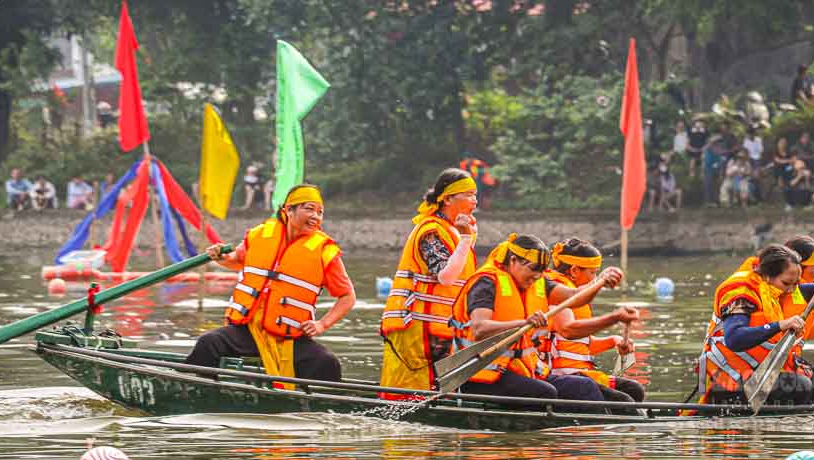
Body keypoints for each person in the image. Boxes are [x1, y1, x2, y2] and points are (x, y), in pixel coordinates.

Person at [185, 184, 356, 385]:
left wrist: (322, 324)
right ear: (288, 210)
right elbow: (237, 259)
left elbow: (348, 297)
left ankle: (322, 408)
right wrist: (220, 256)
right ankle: (198, 392)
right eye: (309, 209)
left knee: (326, 362)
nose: (316, 216)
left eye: (320, 212)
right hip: (249, 331)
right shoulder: (260, 235)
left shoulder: (325, 251)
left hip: (290, 338)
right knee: (209, 343)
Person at [450, 234, 621, 405]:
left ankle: (591, 430)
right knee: (545, 392)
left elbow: (575, 296)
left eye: (541, 271)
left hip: (521, 369)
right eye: (533, 269)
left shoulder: (539, 282)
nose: (537, 276)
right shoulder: (486, 282)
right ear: (513, 260)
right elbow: (479, 328)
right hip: (479, 375)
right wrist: (524, 323)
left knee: (583, 386)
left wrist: (600, 281)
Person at [697, 245, 814, 406]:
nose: (791, 290)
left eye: (795, 284)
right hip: (727, 384)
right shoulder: (740, 291)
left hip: (761, 376)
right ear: (766, 276)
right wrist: (780, 325)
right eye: (787, 284)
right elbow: (735, 338)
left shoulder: (777, 288)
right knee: (799, 384)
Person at [380, 168, 479, 393]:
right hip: (416, 326)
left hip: (444, 326)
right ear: (448, 199)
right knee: (411, 388)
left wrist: (469, 238)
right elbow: (445, 276)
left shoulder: (454, 231)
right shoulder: (431, 230)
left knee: (442, 389)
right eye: (469, 194)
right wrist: (466, 239)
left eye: (475, 194)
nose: (475, 200)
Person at [545, 239, 644, 402]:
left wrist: (614, 340)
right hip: (562, 375)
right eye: (592, 273)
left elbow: (582, 344)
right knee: (624, 401)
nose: (595, 278)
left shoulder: (576, 295)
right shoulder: (557, 290)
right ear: (575, 270)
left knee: (634, 390)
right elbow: (568, 330)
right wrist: (614, 317)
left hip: (580, 373)